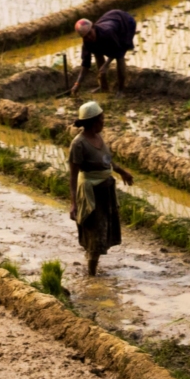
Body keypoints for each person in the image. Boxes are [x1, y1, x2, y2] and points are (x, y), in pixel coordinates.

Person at [67, 100, 135, 276]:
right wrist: (74, 203)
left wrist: (122, 172)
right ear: (91, 122)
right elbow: (73, 176)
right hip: (91, 194)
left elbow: (107, 161)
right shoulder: (78, 144)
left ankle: (92, 266)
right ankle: (91, 275)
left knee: (103, 229)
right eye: (101, 119)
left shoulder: (98, 137)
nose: (104, 121)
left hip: (105, 192)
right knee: (95, 233)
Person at [69, 9, 137, 95]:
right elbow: (85, 64)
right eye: (86, 37)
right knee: (97, 52)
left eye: (90, 33)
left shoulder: (107, 33)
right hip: (111, 19)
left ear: (93, 27)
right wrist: (77, 84)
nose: (89, 37)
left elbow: (117, 50)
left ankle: (121, 90)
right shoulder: (87, 43)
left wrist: (106, 65)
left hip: (125, 22)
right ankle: (104, 87)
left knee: (120, 57)